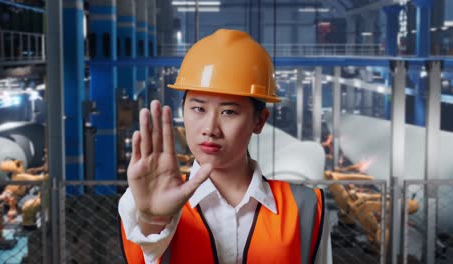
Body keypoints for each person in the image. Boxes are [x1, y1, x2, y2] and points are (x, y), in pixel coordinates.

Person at [118, 29, 332, 264]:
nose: (210, 128)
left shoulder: (305, 208)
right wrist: (154, 220)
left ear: (259, 121)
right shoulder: (145, 200)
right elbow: (146, 249)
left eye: (228, 112)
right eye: (198, 109)